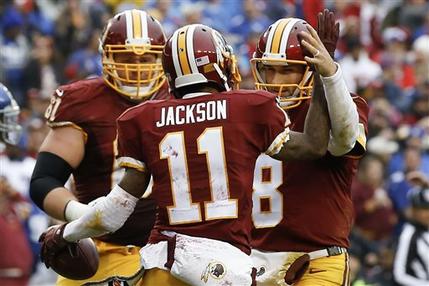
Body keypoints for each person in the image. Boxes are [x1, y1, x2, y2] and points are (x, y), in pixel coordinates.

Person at [38, 23, 332, 286]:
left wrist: (66, 234)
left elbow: (114, 212)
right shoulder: (248, 108)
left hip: (162, 266)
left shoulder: (142, 118)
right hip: (223, 266)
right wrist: (323, 76)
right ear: (218, 66)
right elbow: (315, 145)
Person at [29, 9, 170, 286]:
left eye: (146, 58)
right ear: (106, 56)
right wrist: (83, 216)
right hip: (105, 249)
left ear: (162, 59)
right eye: (125, 57)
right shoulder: (82, 102)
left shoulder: (179, 98)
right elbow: (44, 180)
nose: (136, 67)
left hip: (172, 249)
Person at [250, 10, 370, 286]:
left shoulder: (344, 106)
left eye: (287, 69)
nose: (276, 81)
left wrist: (329, 74)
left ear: (310, 69)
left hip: (316, 260)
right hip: (254, 261)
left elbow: (346, 141)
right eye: (269, 69)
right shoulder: (249, 111)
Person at [393, 186, 429, 285]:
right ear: (414, 211)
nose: (427, 214)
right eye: (423, 209)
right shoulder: (409, 234)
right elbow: (399, 275)